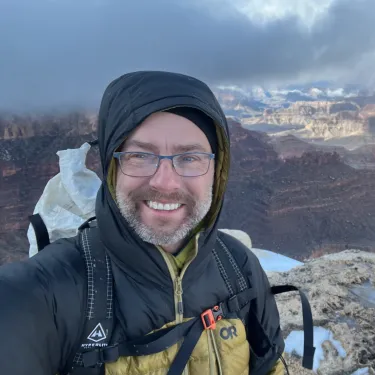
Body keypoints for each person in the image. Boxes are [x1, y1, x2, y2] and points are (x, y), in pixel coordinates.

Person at [0, 71, 286, 374]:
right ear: (112, 168)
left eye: (190, 158)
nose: (165, 182)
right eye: (139, 155)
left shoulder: (239, 267)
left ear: (217, 170)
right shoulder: (47, 292)